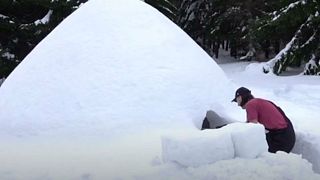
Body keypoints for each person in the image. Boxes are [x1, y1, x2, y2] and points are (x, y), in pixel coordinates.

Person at [231, 87, 295, 153]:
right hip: (288, 134)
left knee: (256, 149)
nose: (238, 105)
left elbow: (251, 127)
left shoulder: (250, 104)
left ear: (241, 97)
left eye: (237, 100)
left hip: (281, 139)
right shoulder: (261, 102)